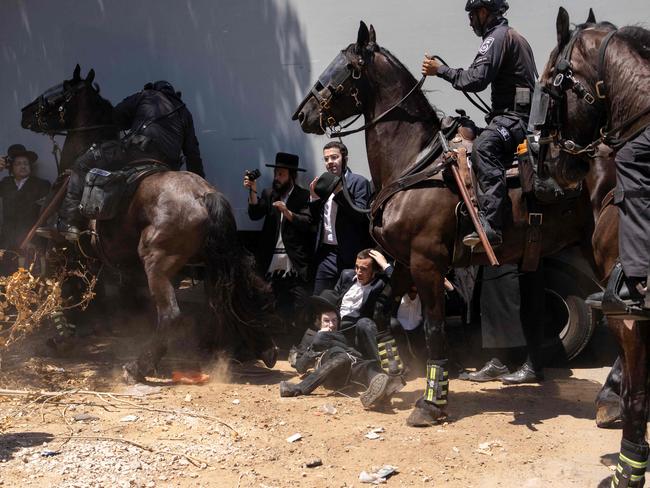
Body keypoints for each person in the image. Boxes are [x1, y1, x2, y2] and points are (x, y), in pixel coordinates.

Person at [421, 0, 537, 249]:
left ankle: (491, 226)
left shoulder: (497, 37)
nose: (470, 20)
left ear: (484, 11)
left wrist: (441, 70)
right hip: (515, 117)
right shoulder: (513, 36)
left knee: (484, 146)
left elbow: (476, 79)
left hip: (514, 121)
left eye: (473, 14)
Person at [57, 80, 205, 241]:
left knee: (82, 163)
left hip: (137, 152)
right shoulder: (185, 112)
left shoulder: (145, 95)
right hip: (165, 165)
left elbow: (114, 117)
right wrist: (199, 184)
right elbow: (193, 154)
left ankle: (68, 222)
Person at [280, 289, 394, 409]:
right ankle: (299, 388)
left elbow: (356, 355)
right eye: (326, 321)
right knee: (340, 355)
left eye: (334, 320)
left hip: (349, 371)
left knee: (368, 366)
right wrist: (314, 346)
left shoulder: (342, 335)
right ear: (319, 321)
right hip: (329, 374)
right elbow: (300, 367)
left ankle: (382, 392)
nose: (331, 325)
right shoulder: (311, 335)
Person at [244, 152, 314, 331]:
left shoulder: (303, 195)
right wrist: (252, 190)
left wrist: (287, 212)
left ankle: (296, 342)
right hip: (271, 260)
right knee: (271, 300)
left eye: (281, 174)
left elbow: (306, 223)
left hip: (293, 262)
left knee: (298, 303)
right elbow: (254, 214)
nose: (277, 178)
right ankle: (276, 340)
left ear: (292, 175)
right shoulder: (269, 193)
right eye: (276, 173)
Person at [309, 141, 372, 294]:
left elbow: (360, 216)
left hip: (350, 255)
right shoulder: (323, 184)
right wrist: (314, 198)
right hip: (326, 254)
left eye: (334, 157)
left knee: (347, 300)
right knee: (319, 299)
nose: (330, 162)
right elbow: (315, 220)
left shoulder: (358, 182)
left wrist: (339, 193)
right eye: (326, 159)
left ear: (344, 159)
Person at [0, 144, 50, 275]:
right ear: (11, 168)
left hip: (31, 238)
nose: (23, 166)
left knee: (30, 277)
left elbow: (46, 211)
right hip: (7, 239)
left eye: (26, 163)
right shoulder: (6, 183)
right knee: (6, 278)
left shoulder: (41, 184)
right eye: (18, 164)